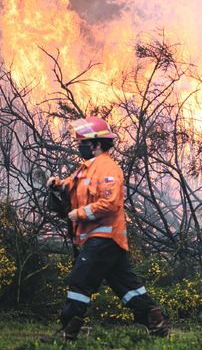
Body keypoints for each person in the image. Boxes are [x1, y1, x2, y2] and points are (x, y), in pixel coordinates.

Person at [46, 116, 169, 341]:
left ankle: (68, 332)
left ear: (97, 144)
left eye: (83, 142)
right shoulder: (86, 168)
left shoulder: (108, 168)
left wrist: (79, 213)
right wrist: (58, 184)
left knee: (80, 279)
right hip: (100, 238)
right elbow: (73, 183)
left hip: (105, 236)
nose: (79, 146)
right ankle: (155, 320)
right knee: (126, 286)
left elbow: (110, 203)